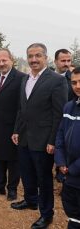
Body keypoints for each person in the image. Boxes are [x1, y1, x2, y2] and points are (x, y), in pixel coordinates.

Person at [11, 43, 68, 229]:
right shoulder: (25, 79)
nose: (34, 59)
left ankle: (46, 214)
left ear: (46, 58)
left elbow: (58, 114)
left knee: (43, 178)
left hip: (44, 141)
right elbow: (21, 109)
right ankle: (30, 200)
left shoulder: (56, 80)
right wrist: (16, 130)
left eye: (38, 56)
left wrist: (53, 141)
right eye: (30, 56)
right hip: (25, 138)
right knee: (26, 173)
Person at [0, 48, 26, 201]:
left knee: (13, 160)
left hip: (13, 128)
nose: (1, 63)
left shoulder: (22, 78)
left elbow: (21, 107)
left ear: (12, 60)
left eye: (4, 60)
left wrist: (17, 129)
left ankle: (12, 189)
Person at [55, 67, 80, 229]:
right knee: (72, 211)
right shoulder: (69, 107)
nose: (77, 86)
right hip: (68, 173)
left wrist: (73, 168)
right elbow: (60, 135)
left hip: (74, 171)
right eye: (74, 82)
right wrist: (61, 161)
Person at [54, 49, 75, 183]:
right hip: (49, 122)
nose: (66, 64)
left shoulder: (73, 80)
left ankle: (63, 177)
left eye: (69, 61)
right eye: (63, 61)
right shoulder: (47, 77)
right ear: (55, 61)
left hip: (67, 122)